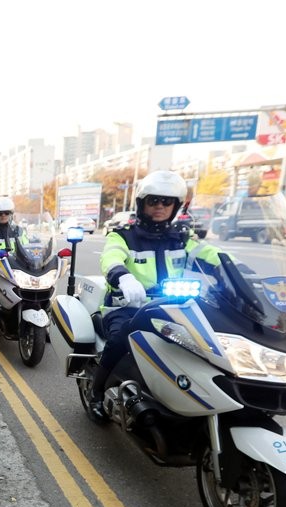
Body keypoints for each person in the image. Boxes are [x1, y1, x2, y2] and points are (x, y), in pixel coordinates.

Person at [86, 170, 221, 424]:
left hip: (175, 308)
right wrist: (123, 277)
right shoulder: (123, 235)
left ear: (176, 206)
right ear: (142, 203)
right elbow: (111, 257)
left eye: (166, 201)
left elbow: (214, 257)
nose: (160, 206)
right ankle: (96, 391)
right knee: (118, 340)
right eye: (154, 201)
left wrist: (245, 275)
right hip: (127, 307)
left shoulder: (182, 240)